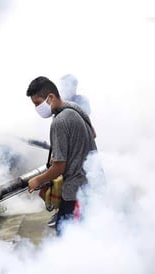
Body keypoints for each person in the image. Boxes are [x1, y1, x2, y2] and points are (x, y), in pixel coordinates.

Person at [26, 76, 97, 236]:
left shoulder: (60, 121)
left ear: (50, 97)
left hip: (77, 191)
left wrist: (37, 180)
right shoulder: (75, 108)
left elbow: (59, 167)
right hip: (92, 186)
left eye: (38, 103)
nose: (37, 108)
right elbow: (93, 134)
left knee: (68, 236)